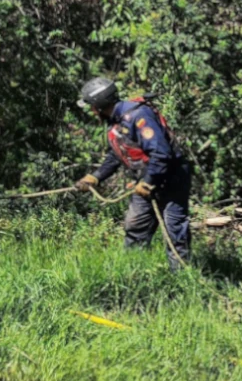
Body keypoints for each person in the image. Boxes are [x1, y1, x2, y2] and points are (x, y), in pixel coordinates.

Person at [74, 77, 192, 268]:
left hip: (171, 179)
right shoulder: (116, 123)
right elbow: (116, 156)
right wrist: (95, 177)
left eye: (92, 107)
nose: (92, 111)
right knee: (135, 226)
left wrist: (149, 180)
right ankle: (133, 274)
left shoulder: (138, 116)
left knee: (174, 230)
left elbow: (161, 153)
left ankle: (183, 279)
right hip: (144, 183)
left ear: (100, 104)